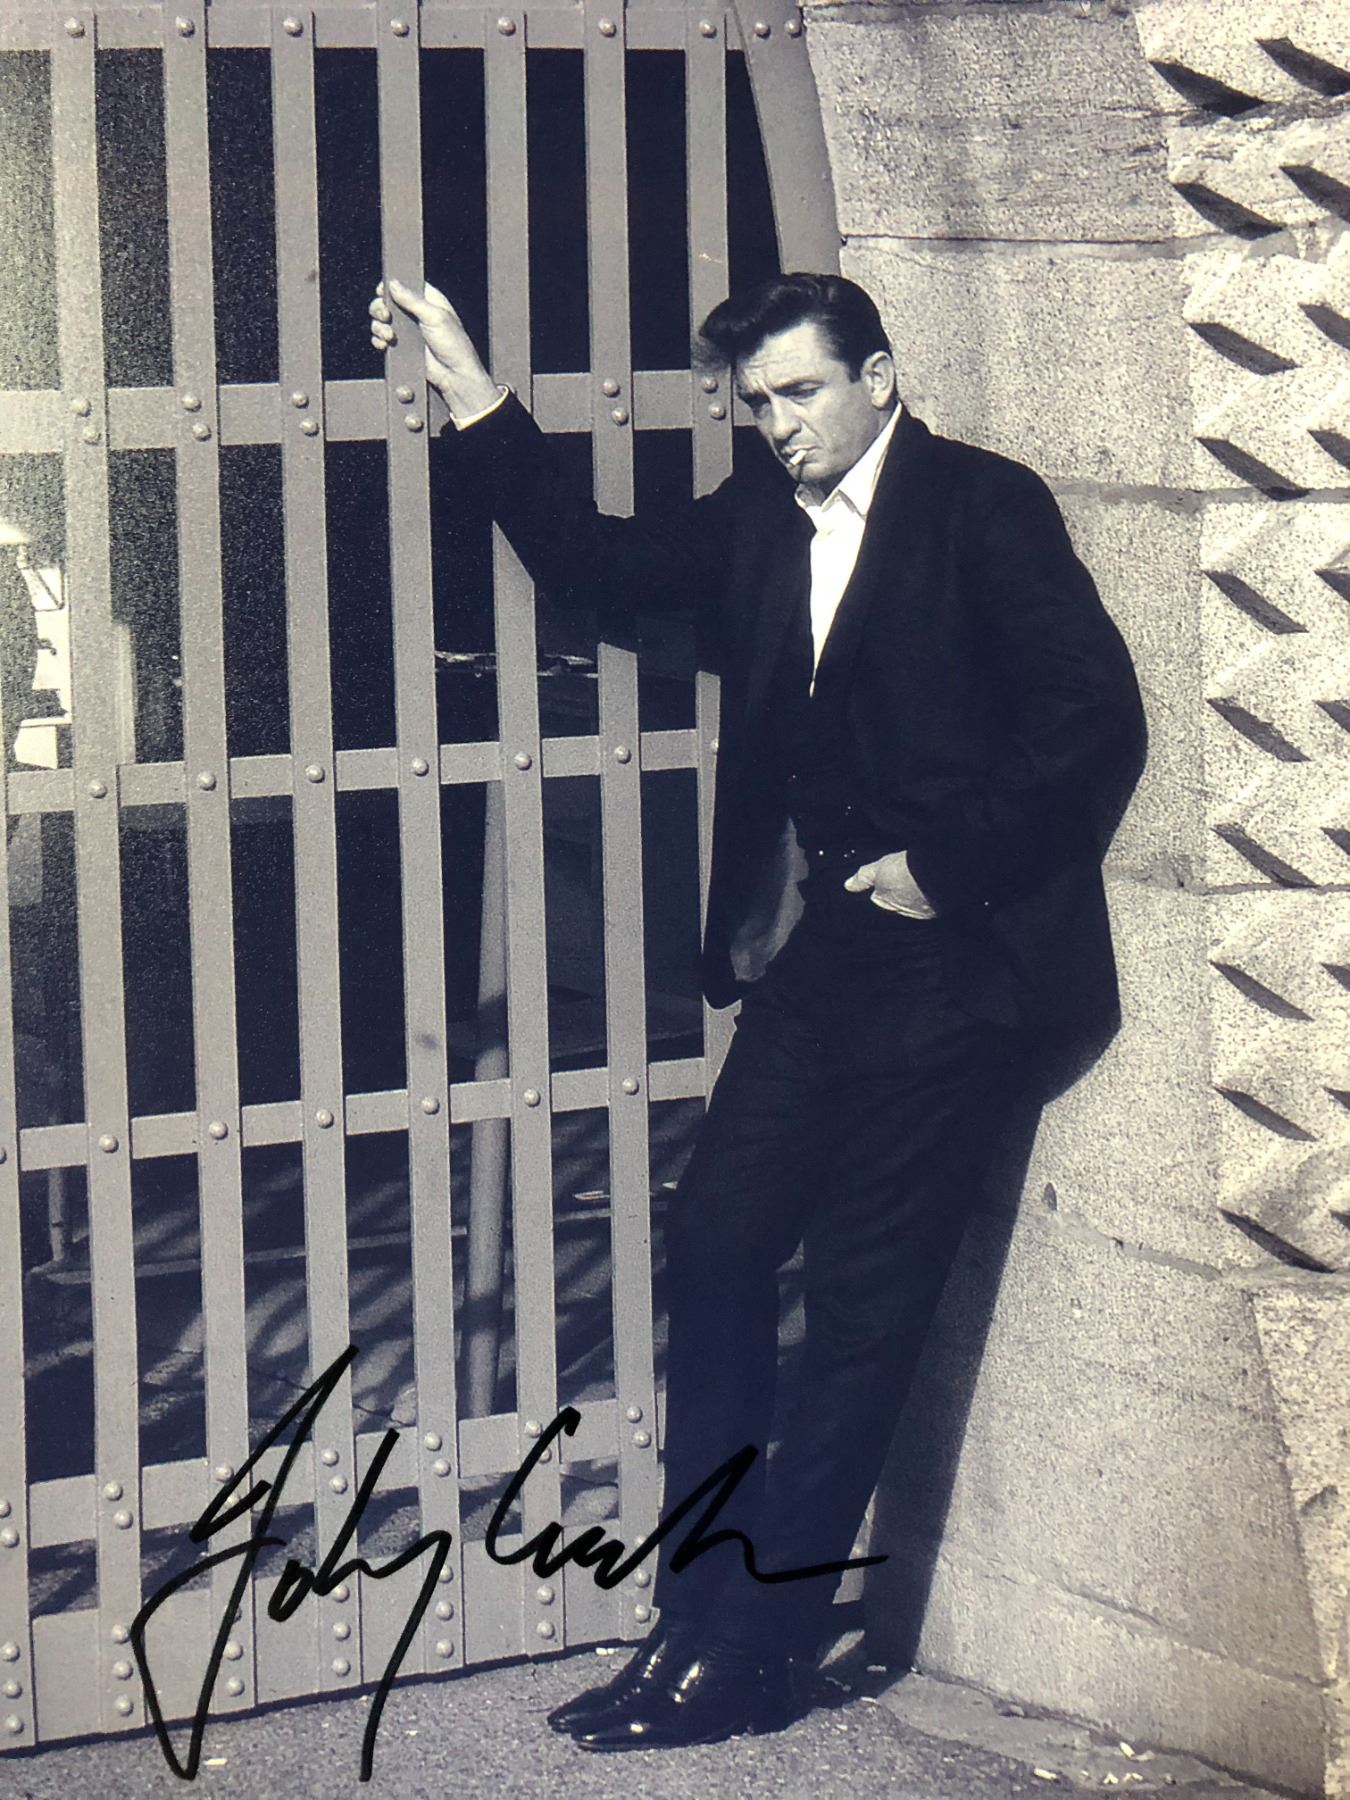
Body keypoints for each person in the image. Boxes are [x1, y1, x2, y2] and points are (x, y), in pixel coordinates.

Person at [369, 271, 1146, 1751]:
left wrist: (946, 868)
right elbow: (593, 566)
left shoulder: (984, 510)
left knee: (859, 1309)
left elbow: (1091, 717)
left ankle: (754, 1651)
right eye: (756, 402)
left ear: (879, 376)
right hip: (815, 968)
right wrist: (470, 387)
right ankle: (695, 1616)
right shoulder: (757, 518)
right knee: (718, 1246)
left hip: (954, 972)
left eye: (799, 392)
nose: (777, 424)